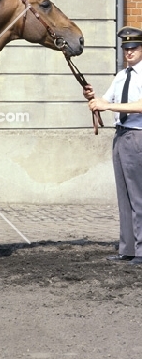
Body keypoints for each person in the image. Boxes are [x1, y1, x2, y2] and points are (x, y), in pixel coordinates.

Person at [84, 26, 142, 264]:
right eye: (125, 48)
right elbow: (106, 100)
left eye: (134, 48)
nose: (129, 52)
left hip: (138, 136)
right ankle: (127, 249)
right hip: (120, 137)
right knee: (124, 196)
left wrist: (108, 107)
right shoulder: (121, 76)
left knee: (139, 196)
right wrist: (94, 98)